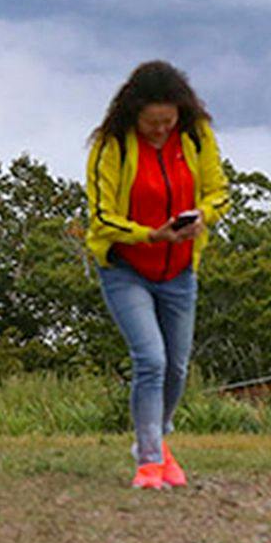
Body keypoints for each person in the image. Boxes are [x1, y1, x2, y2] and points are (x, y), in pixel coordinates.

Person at [84, 60, 230, 490]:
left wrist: (203, 215)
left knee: (177, 368)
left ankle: (158, 440)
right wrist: (150, 235)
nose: (161, 130)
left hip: (180, 270)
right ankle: (149, 462)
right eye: (152, 123)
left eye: (168, 121)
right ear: (133, 114)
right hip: (126, 268)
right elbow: (100, 216)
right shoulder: (112, 145)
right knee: (151, 360)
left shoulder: (196, 136)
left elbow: (219, 192)